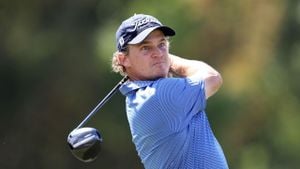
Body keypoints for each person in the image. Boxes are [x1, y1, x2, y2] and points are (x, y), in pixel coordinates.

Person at [112, 14, 229, 169]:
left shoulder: (137, 98)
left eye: (162, 44)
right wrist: (169, 60)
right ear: (123, 59)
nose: (159, 53)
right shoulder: (160, 95)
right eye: (145, 48)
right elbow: (213, 78)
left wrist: (159, 59)